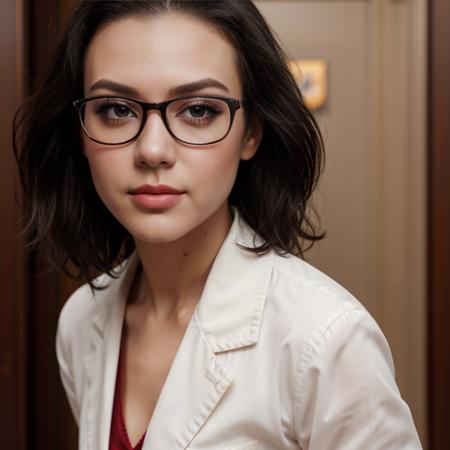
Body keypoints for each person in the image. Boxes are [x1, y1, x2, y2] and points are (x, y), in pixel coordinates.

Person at [13, 1, 423, 449]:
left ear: (252, 132)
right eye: (115, 109)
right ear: (80, 131)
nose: (152, 150)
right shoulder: (79, 322)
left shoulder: (325, 340)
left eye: (199, 110)